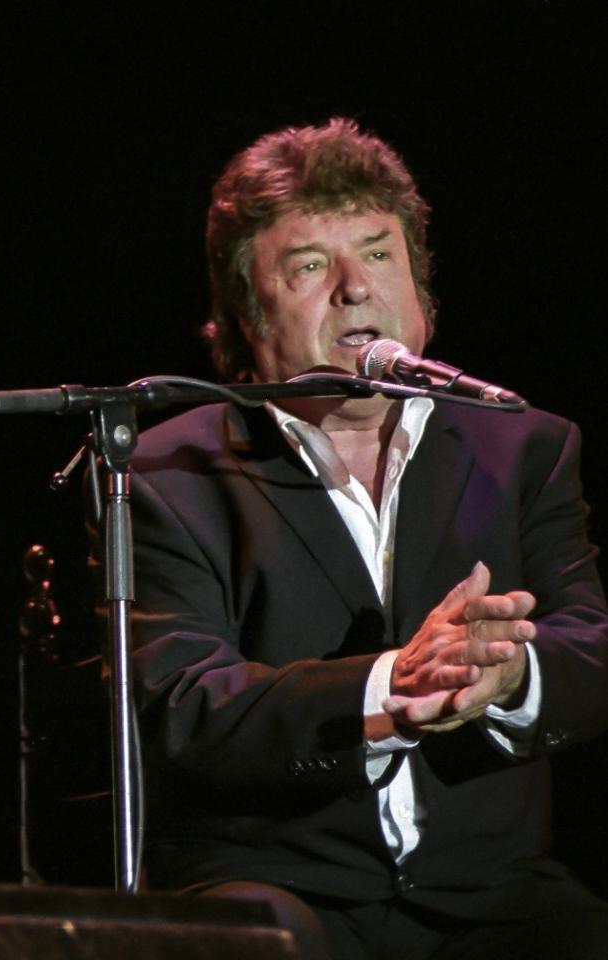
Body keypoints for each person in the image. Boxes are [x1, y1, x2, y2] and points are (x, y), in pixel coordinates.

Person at [122, 117, 608, 960]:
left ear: (420, 286)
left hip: (490, 898)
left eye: (379, 254)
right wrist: (391, 684)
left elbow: (590, 656)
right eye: (310, 264)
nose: (355, 288)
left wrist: (508, 674)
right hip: (277, 886)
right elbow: (186, 706)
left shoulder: (525, 445)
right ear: (245, 308)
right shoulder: (170, 472)